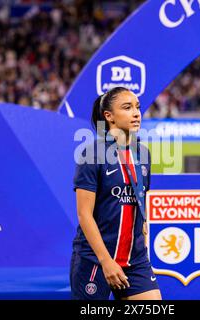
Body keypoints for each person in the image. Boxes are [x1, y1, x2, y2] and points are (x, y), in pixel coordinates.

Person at [70, 86, 161, 300]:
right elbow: (84, 215)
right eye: (127, 108)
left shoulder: (143, 154)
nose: (136, 113)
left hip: (135, 261)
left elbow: (140, 200)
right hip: (95, 259)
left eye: (137, 107)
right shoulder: (92, 153)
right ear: (108, 116)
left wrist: (143, 232)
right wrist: (106, 261)